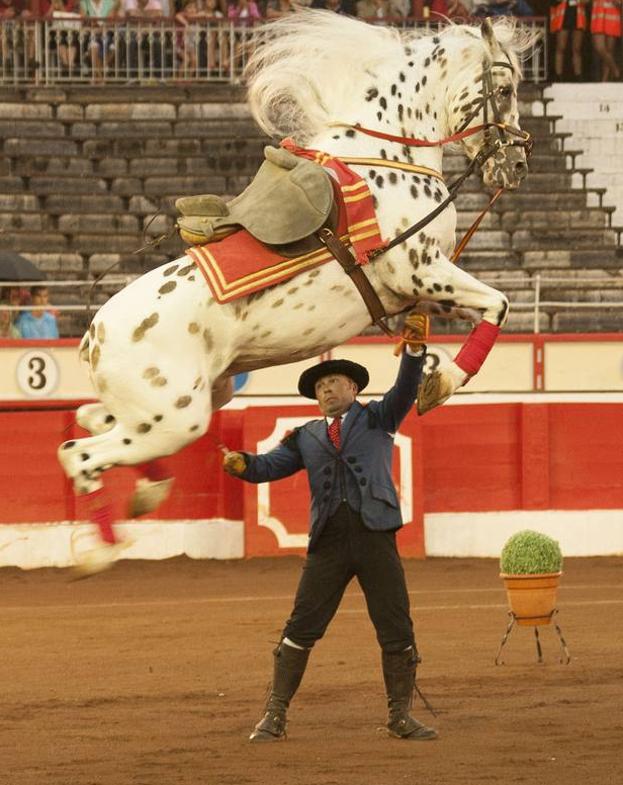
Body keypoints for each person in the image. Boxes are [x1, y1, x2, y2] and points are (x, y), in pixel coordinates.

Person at [223, 313, 438, 743]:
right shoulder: (305, 436)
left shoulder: (379, 417)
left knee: (396, 626)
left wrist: (414, 349)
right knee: (301, 627)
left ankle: (400, 717)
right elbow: (270, 466)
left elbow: (404, 389)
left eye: (333, 383)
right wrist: (243, 465)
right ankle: (274, 716)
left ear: (353, 389)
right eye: (319, 387)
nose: (325, 390)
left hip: (375, 535)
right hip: (329, 543)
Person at [549, 0, 589, 80]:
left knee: (577, 48)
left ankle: (578, 75)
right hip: (563, 17)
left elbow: (587, 1)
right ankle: (558, 75)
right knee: (561, 47)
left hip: (578, 17)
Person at [591, 0, 622, 81]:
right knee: (599, 47)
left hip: (612, 15)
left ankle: (604, 81)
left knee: (609, 51)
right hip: (598, 15)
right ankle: (615, 69)